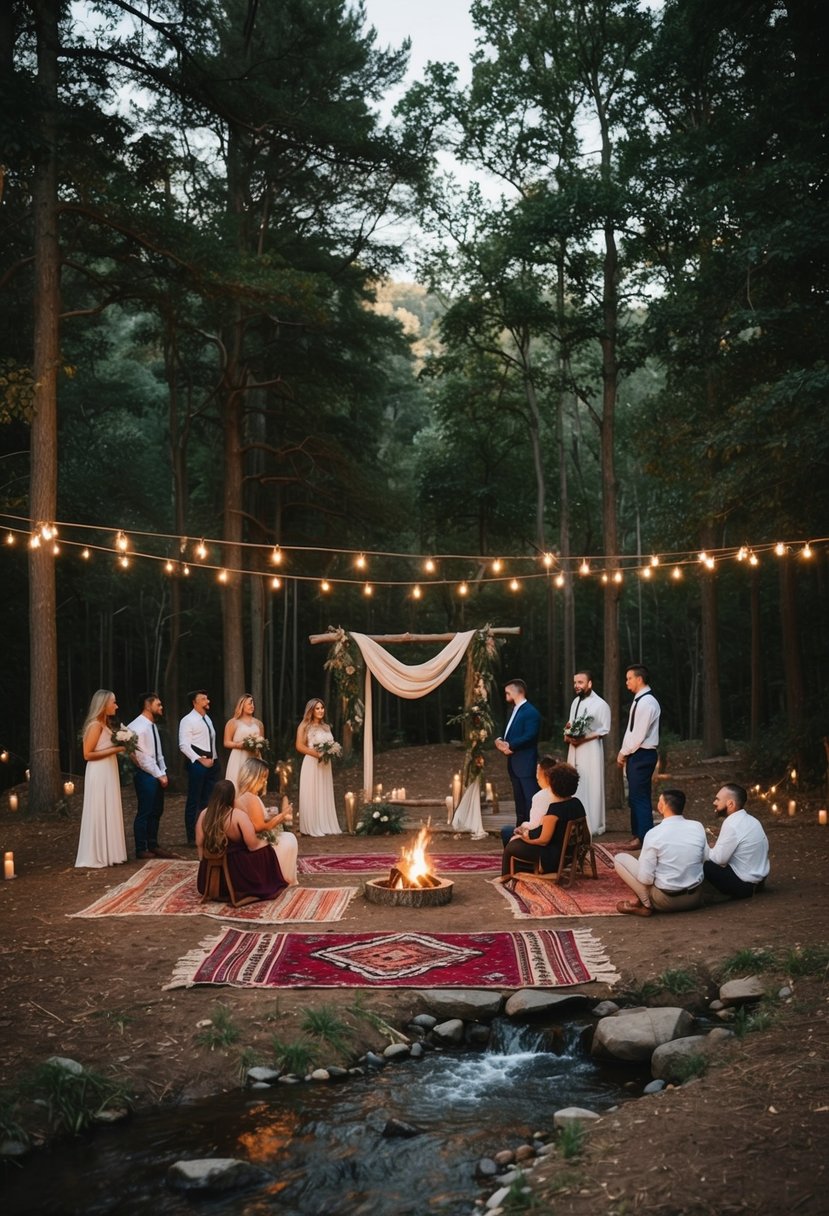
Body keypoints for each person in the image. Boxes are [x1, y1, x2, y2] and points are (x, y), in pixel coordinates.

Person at [614, 788, 705, 916]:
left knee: (620, 859)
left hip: (666, 902)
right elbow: (705, 857)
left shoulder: (654, 834)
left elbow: (645, 879)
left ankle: (647, 905)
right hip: (695, 898)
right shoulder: (697, 826)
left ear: (662, 806)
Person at [195, 779, 287, 901]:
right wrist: (265, 843)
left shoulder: (203, 814)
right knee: (267, 850)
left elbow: (199, 843)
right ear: (232, 796)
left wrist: (204, 866)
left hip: (208, 876)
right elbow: (252, 845)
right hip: (236, 874)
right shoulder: (238, 815)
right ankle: (264, 884)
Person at [501, 761, 586, 877]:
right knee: (516, 841)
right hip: (571, 854)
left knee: (512, 846)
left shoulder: (554, 810)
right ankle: (518, 873)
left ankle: (506, 877)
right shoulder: (577, 803)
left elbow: (543, 840)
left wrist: (523, 838)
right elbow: (586, 835)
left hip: (553, 858)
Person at [75, 689, 128, 868]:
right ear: (103, 705)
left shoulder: (105, 725)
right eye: (113, 702)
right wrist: (118, 749)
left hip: (108, 769)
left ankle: (110, 852)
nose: (116, 705)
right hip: (98, 771)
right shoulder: (95, 726)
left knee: (109, 806)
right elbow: (87, 754)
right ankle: (96, 853)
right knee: (99, 807)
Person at [127, 691, 178, 860]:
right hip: (145, 774)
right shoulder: (137, 727)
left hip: (156, 773)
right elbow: (141, 757)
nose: (161, 707)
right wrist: (158, 774)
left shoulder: (152, 725)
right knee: (145, 811)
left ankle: (153, 844)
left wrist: (163, 772)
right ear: (148, 706)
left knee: (157, 810)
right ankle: (141, 848)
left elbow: (158, 753)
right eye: (158, 704)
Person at [616, 664, 661, 849]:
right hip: (637, 754)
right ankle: (637, 835)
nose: (627, 682)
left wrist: (623, 752)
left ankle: (644, 838)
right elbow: (631, 731)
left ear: (639, 679)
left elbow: (638, 734)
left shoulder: (647, 703)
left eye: (629, 678)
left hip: (642, 754)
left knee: (640, 797)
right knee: (635, 797)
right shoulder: (639, 700)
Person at [236, 756, 299, 885]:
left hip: (254, 838)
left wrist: (270, 814)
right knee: (289, 840)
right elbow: (260, 827)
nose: (265, 781)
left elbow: (255, 819)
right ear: (253, 776)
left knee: (288, 837)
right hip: (254, 843)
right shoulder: (250, 798)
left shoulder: (247, 795)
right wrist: (282, 815)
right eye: (263, 777)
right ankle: (280, 878)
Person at [564, 669, 611, 837]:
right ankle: (576, 823)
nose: (577, 685)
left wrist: (583, 738)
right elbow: (570, 723)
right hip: (574, 748)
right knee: (575, 783)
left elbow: (604, 729)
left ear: (590, 683)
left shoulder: (601, 704)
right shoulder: (575, 702)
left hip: (590, 749)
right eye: (575, 682)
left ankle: (593, 823)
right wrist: (568, 735)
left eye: (580, 682)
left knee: (590, 782)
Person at [703, 783, 770, 899]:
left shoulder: (731, 824)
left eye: (718, 800)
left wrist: (704, 848)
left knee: (702, 862)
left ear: (730, 804)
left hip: (744, 885)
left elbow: (719, 859)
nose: (714, 803)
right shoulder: (752, 820)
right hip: (759, 882)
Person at [494, 679, 541, 829]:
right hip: (514, 763)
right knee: (519, 801)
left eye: (508, 692)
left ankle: (531, 829)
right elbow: (509, 732)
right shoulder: (513, 710)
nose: (505, 695)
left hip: (525, 762)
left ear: (517, 692)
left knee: (529, 799)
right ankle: (519, 829)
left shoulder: (531, 712)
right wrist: (500, 740)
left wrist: (511, 745)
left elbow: (530, 735)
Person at [179, 689, 220, 845]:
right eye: (203, 699)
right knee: (194, 799)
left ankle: (206, 831)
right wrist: (199, 760)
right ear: (194, 703)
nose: (207, 701)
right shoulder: (188, 720)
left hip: (212, 764)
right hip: (197, 764)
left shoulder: (207, 719)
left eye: (207, 698)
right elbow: (183, 745)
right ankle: (191, 836)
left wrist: (215, 761)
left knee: (209, 799)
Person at [295, 698, 341, 836]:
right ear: (311, 710)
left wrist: (331, 751)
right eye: (317, 708)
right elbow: (299, 746)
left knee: (324, 792)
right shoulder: (304, 726)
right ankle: (312, 826)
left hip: (325, 765)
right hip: (311, 763)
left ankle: (325, 824)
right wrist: (317, 754)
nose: (321, 711)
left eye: (322, 708)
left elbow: (330, 744)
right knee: (312, 792)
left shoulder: (326, 726)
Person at [500, 754, 555, 848]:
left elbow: (535, 825)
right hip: (558, 841)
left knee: (506, 831)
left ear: (544, 775)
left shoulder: (540, 796)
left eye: (538, 772)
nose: (536, 776)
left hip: (539, 842)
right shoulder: (565, 796)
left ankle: (518, 861)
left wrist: (522, 827)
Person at [223, 694, 266, 791]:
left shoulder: (258, 723)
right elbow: (226, 742)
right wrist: (240, 745)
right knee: (237, 784)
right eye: (249, 703)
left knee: (253, 784)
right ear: (242, 705)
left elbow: (262, 740)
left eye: (253, 704)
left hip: (254, 756)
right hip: (238, 757)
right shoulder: (232, 722)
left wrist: (258, 744)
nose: (252, 706)